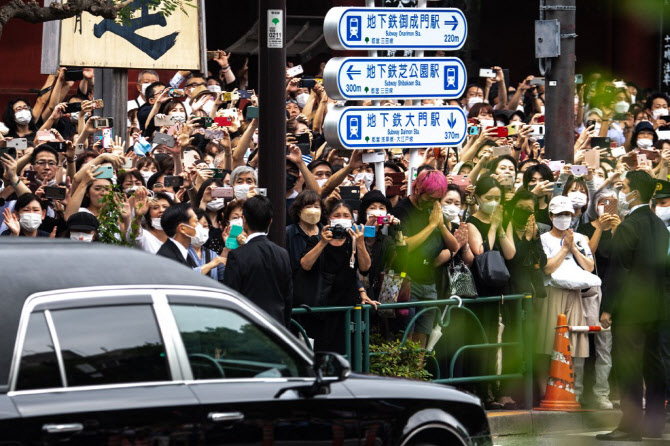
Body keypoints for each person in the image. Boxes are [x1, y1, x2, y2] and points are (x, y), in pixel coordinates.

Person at [597, 171, 669, 441]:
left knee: (628, 365)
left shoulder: (629, 227)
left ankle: (630, 425)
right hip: (658, 307)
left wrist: (608, 308)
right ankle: (653, 424)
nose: (620, 192)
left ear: (635, 193)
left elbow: (619, 270)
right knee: (655, 364)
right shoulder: (659, 226)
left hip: (631, 309)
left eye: (624, 187)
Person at [390, 170, 459, 348]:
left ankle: (418, 376)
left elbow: (453, 247)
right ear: (418, 190)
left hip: (429, 283)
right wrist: (432, 225)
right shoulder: (402, 209)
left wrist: (441, 225)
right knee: (406, 336)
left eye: (437, 198)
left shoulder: (435, 209)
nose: (432, 202)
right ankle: (403, 376)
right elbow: (404, 246)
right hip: (407, 281)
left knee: (422, 337)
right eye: (429, 198)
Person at [538, 196, 593, 403]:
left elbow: (589, 266)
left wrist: (573, 248)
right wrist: (563, 249)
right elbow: (548, 267)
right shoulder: (543, 239)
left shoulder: (579, 238)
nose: (564, 218)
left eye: (568, 214)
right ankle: (547, 392)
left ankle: (574, 392)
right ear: (551, 216)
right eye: (560, 214)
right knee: (547, 343)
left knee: (576, 342)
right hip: (552, 291)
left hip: (575, 292)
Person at [300, 200, 372, 352]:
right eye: (337, 215)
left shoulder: (353, 242)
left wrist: (360, 242)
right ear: (329, 220)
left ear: (352, 220)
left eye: (346, 215)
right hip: (321, 310)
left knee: (347, 352)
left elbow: (365, 268)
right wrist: (322, 243)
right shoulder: (316, 240)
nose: (341, 218)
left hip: (347, 309)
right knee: (322, 353)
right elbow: (305, 264)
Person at [223, 196, 293, 327]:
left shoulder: (237, 255)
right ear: (270, 221)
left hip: (247, 329)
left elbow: (231, 298)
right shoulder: (282, 254)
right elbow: (288, 298)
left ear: (244, 220)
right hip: (277, 328)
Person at [156, 203, 199, 268]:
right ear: (182, 229)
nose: (199, 226)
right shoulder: (167, 258)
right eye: (196, 221)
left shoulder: (183, 252)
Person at [188, 209, 225, 281]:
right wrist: (211, 265)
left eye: (205, 226)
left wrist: (230, 246)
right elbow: (184, 277)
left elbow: (225, 276)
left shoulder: (212, 255)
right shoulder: (180, 252)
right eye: (196, 224)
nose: (200, 229)